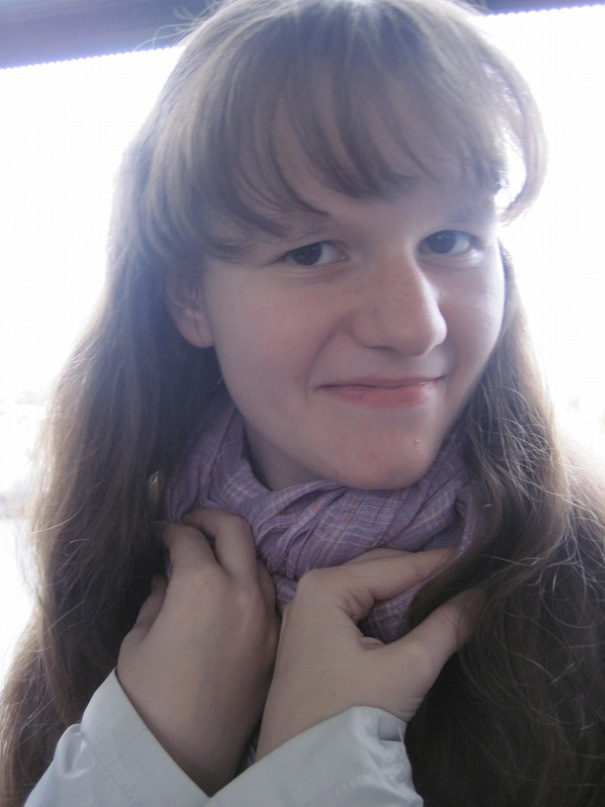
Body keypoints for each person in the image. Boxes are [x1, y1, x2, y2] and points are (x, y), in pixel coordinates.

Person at [1, 0, 604, 804]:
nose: (415, 325)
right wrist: (150, 745)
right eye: (313, 250)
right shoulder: (110, 579)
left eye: (449, 240)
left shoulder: (584, 589)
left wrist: (320, 759)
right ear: (190, 298)